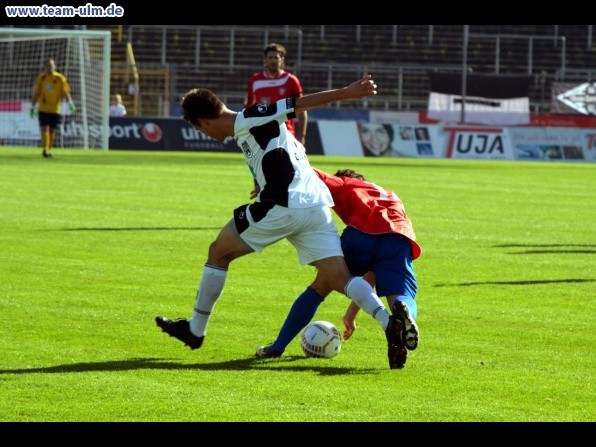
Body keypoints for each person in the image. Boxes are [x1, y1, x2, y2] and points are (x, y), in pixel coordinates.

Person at [155, 74, 407, 369]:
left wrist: (348, 92)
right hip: (316, 206)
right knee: (340, 279)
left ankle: (195, 330)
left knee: (218, 252)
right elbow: (278, 154)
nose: (203, 133)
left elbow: (300, 103)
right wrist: (265, 180)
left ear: (203, 122)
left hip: (284, 205)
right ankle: (389, 323)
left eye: (198, 128)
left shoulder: (251, 115)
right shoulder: (248, 130)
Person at [256, 167, 421, 369]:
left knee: (320, 286)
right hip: (398, 237)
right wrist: (350, 315)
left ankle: (278, 346)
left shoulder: (345, 183)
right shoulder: (390, 195)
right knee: (401, 295)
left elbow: (303, 169)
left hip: (361, 234)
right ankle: (405, 315)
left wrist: (272, 185)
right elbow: (369, 277)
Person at [244, 43, 307, 145]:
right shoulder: (255, 80)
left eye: (276, 58)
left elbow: (302, 108)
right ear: (265, 59)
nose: (273, 60)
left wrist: (302, 135)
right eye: (270, 57)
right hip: (261, 133)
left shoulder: (291, 80)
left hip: (286, 133)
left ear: (282, 59)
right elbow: (248, 109)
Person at [30, 58, 76, 158]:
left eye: (51, 65)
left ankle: (49, 149)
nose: (50, 67)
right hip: (43, 108)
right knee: (45, 128)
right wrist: (33, 107)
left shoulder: (60, 78)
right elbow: (36, 94)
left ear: (55, 66)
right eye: (48, 66)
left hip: (56, 109)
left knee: (52, 130)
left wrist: (70, 103)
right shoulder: (41, 79)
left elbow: (65, 92)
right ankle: (45, 149)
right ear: (44, 67)